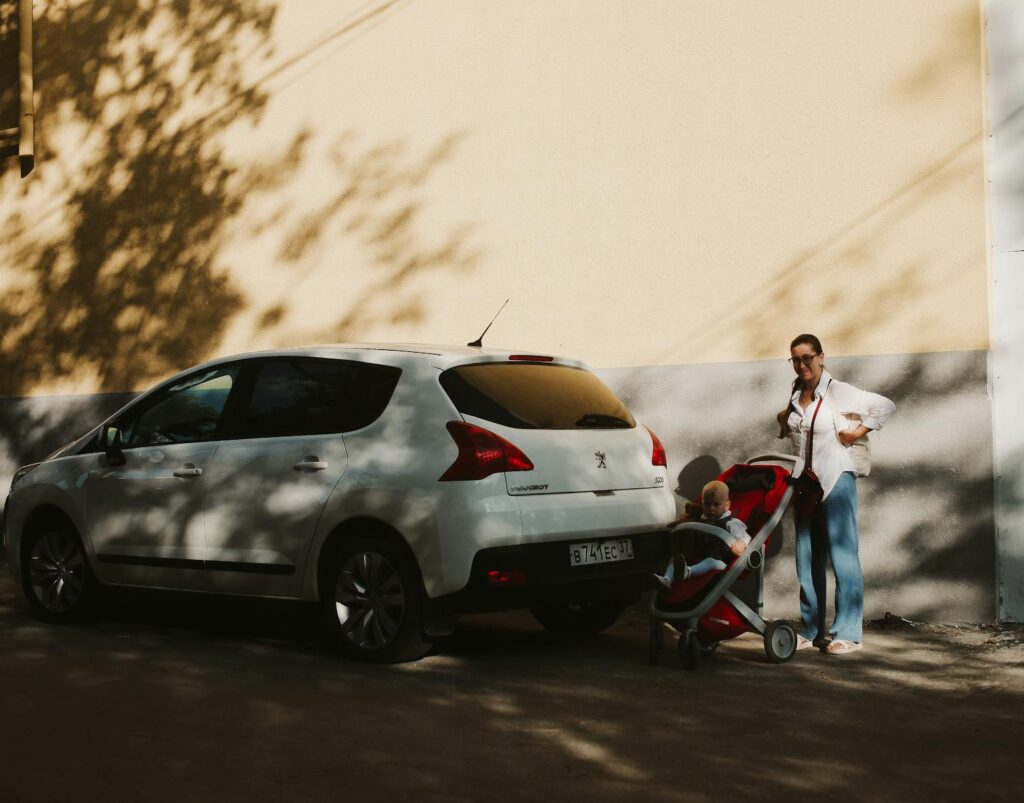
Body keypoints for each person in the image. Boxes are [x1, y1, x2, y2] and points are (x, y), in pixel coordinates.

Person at [780, 334, 895, 655]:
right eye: (796, 359)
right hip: (804, 484)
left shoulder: (838, 391)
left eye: (807, 357)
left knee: (843, 557)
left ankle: (848, 633)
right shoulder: (796, 392)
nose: (802, 364)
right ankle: (811, 628)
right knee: (807, 559)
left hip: (835, 480)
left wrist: (857, 432)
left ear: (820, 357)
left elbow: (884, 405)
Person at [652, 480, 750, 592]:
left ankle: (688, 572)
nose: (711, 508)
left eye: (716, 504)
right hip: (696, 556)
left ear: (727, 505)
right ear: (702, 503)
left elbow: (745, 536)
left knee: (710, 561)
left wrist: (741, 544)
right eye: (707, 504)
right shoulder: (700, 518)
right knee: (676, 560)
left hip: (719, 560)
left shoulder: (731, 523)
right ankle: (667, 580)